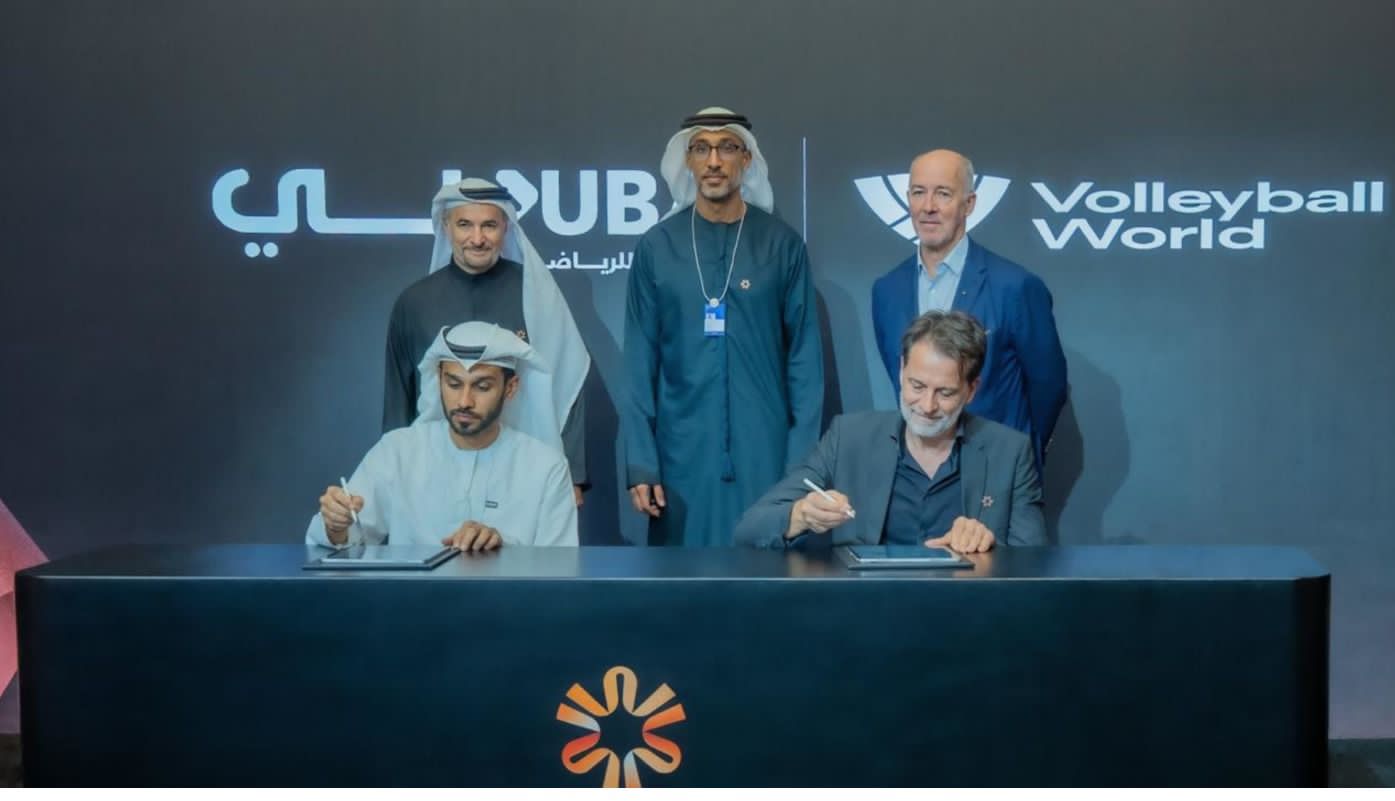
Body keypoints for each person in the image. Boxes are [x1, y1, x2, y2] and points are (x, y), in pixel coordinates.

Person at [622, 106, 823, 545]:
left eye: (727, 148)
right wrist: (641, 461)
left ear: (746, 159)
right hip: (680, 452)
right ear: (687, 160)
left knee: (765, 567)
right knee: (682, 574)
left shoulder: (781, 244)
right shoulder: (657, 247)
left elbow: (805, 364)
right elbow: (638, 362)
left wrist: (801, 467)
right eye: (701, 149)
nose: (714, 161)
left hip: (765, 448)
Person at [734, 310, 1045, 551]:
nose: (927, 405)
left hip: (966, 608)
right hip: (868, 607)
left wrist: (988, 546)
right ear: (901, 371)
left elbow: (1033, 562)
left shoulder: (1010, 452)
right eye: (917, 386)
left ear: (971, 390)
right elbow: (749, 529)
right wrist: (801, 514)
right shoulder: (848, 438)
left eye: (945, 392)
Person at [383, 178, 591, 504]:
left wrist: (573, 475)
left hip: (522, 474)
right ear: (446, 226)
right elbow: (399, 397)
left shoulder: (536, 293)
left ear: (506, 227)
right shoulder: (414, 302)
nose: (477, 239)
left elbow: (569, 380)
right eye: (465, 224)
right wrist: (391, 472)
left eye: (489, 225)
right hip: (436, 475)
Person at [871, 149, 1067, 470]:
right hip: (916, 474)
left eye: (943, 193)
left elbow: (1049, 387)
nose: (928, 206)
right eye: (918, 192)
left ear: (969, 204)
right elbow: (903, 386)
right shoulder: (886, 291)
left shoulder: (1015, 287)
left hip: (995, 471)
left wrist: (1017, 460)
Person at [310, 322, 578, 551]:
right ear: (438, 380)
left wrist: (502, 547)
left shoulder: (546, 467)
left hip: (509, 598)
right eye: (454, 384)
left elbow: (561, 569)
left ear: (510, 388)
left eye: (482, 386)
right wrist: (336, 526)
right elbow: (348, 541)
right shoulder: (398, 451)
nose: (464, 401)